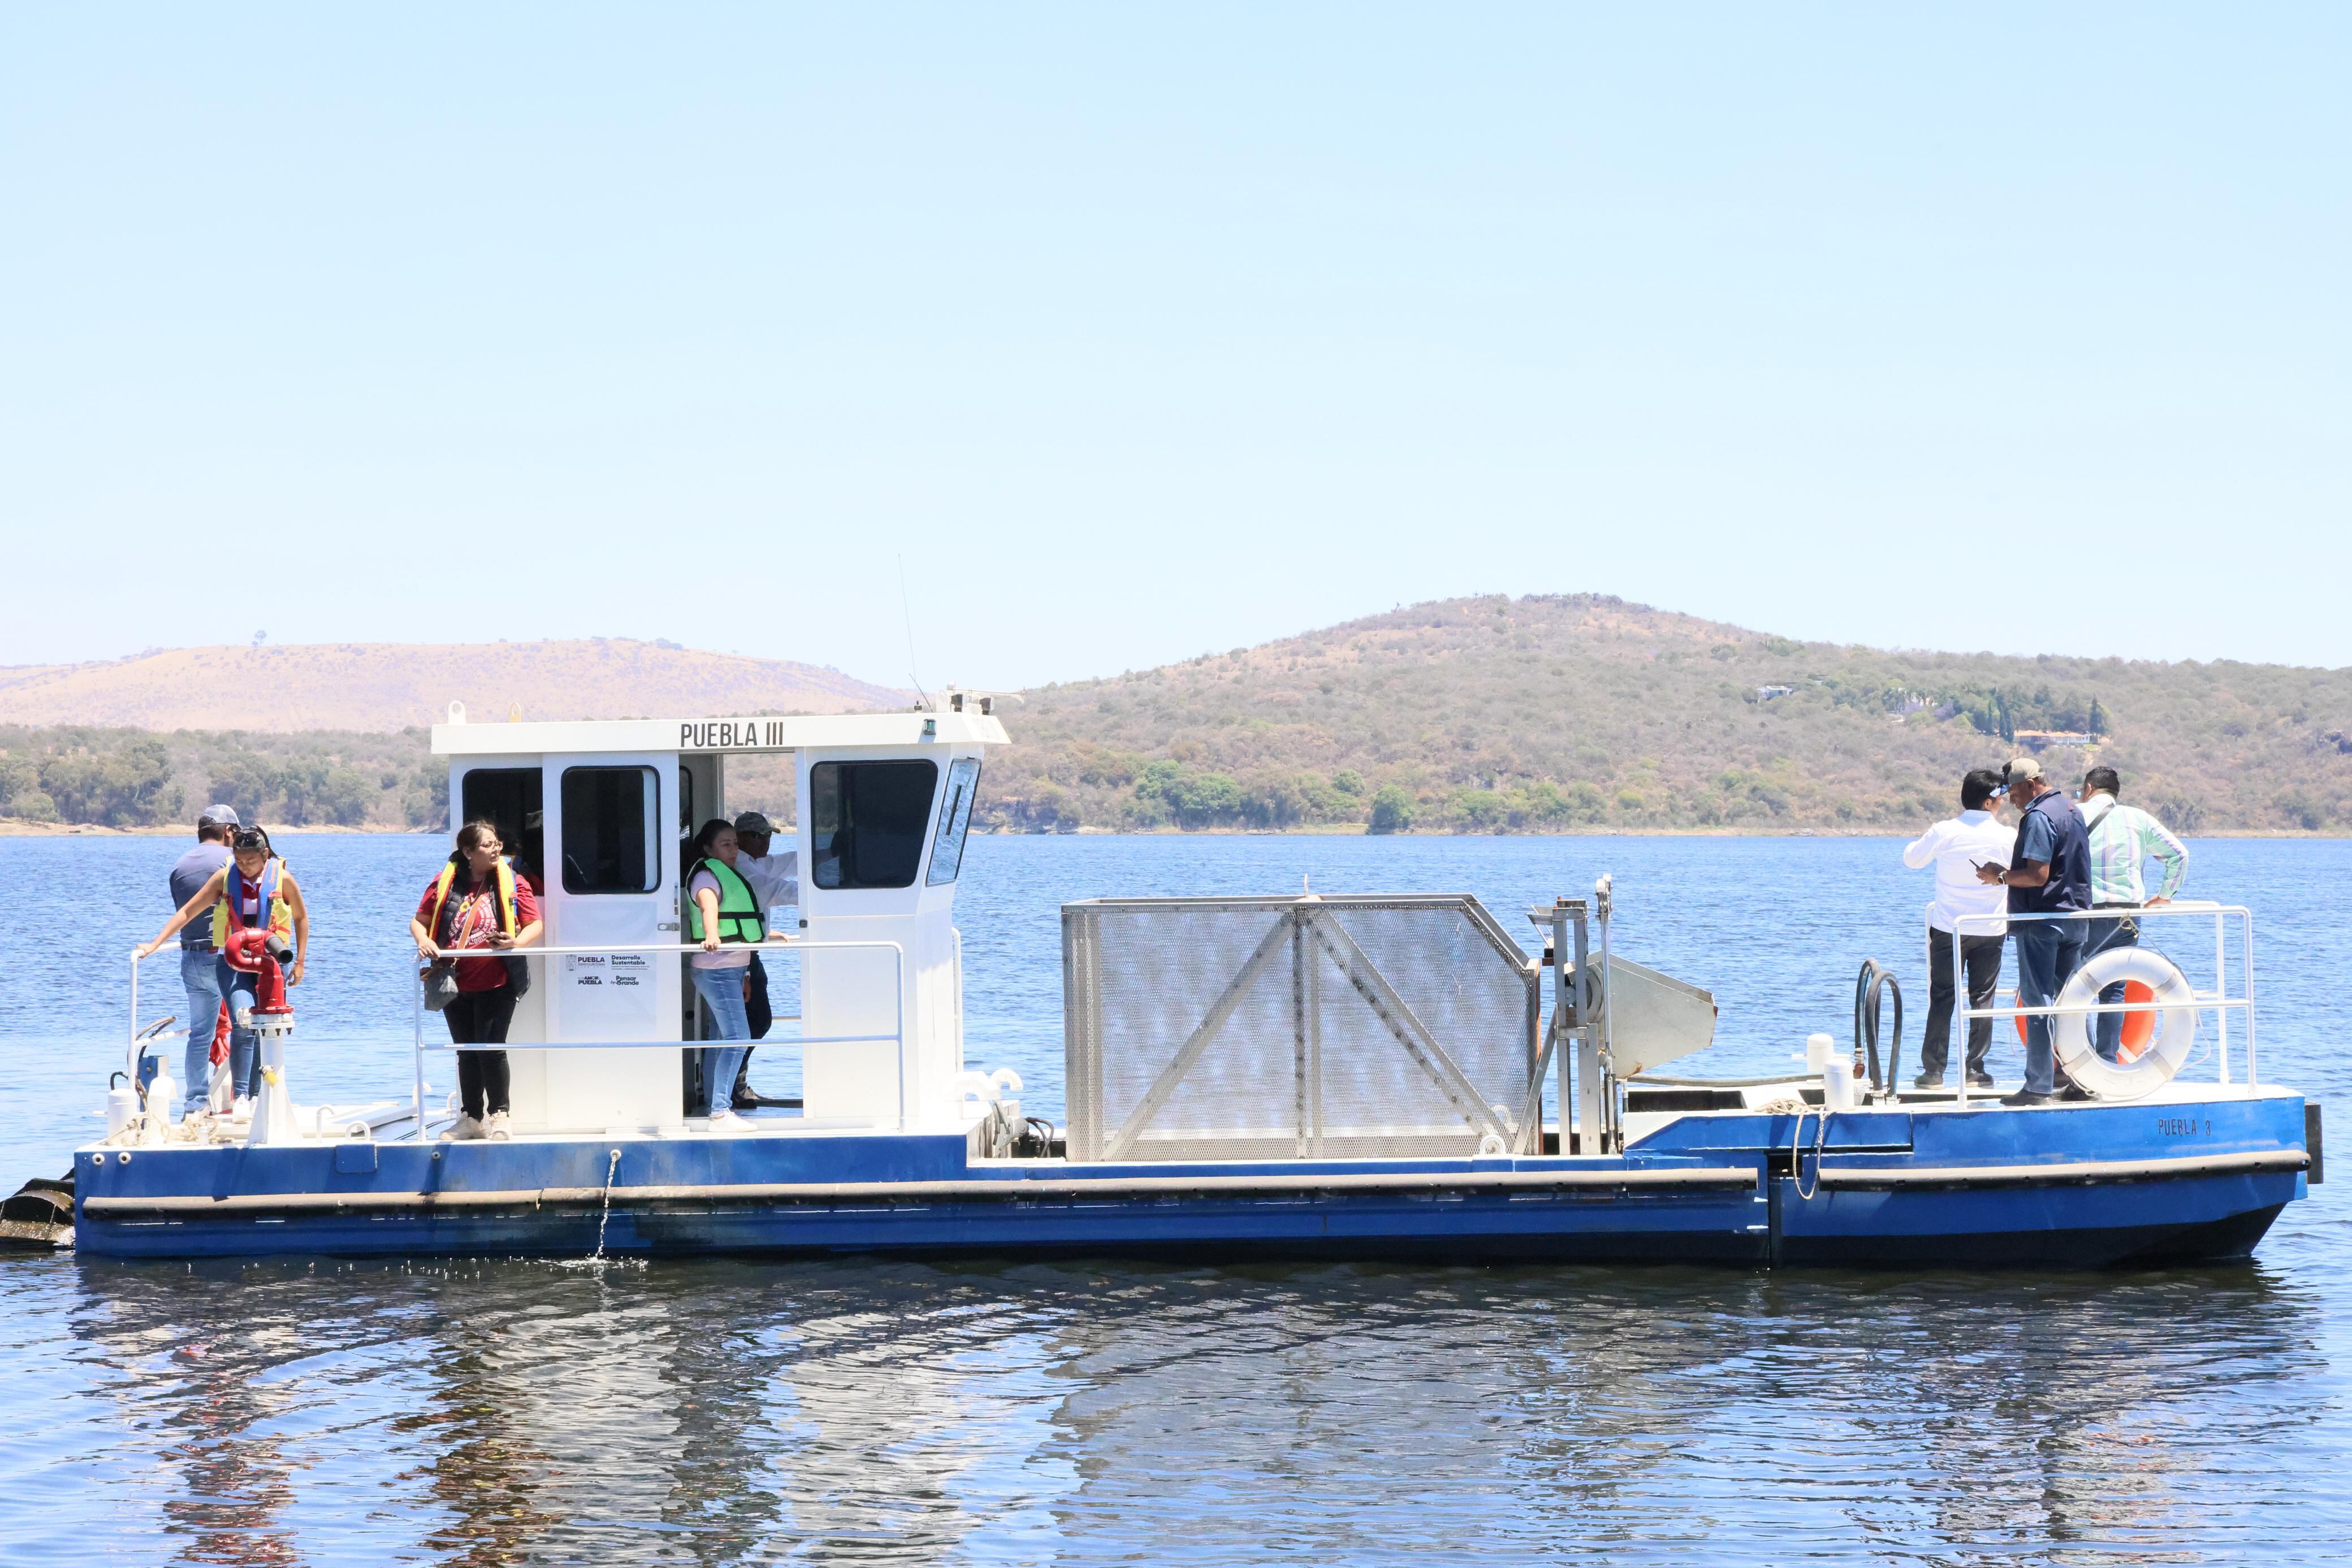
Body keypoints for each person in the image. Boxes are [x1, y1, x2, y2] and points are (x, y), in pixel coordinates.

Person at [136, 826, 311, 1110]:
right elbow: (187, 912)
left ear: (265, 856)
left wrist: (300, 962)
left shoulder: (284, 879)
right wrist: (155, 944)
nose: (245, 867)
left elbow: (302, 919)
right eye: (239, 861)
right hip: (232, 963)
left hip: (270, 965)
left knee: (265, 1028)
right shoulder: (225, 877)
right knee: (243, 1020)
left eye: (251, 862)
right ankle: (241, 1097)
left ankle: (259, 1095)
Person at [410, 820, 543, 1141]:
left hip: (497, 981)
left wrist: (515, 944)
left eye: (497, 843)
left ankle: (500, 1116)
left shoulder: (513, 882)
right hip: (454, 981)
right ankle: (471, 1118)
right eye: (488, 845)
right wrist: (423, 941)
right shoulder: (445, 882)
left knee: (491, 1049)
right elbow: (419, 921)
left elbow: (534, 924)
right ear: (468, 852)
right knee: (466, 1051)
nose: (496, 848)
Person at [1976, 755, 2092, 1104]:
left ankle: (2038, 1086)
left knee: (2037, 1002)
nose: (2010, 798)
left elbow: (2037, 876)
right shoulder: (2072, 810)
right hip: (2076, 920)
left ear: (2030, 784)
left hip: (2042, 923)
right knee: (2073, 1002)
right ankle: (2084, 1081)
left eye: (2012, 790)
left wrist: (1999, 876)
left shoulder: (2039, 817)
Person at [1900, 769, 2013, 1090]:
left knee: (1942, 998)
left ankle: (1934, 1072)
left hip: (1949, 928)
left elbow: (1912, 860)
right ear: (1989, 801)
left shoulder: (1944, 831)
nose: (2003, 802)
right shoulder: (2008, 836)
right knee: (1983, 998)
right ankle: (1975, 1071)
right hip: (1991, 928)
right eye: (2001, 797)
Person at [2077, 766, 2190, 1063]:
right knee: (2113, 988)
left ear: (2089, 788)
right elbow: (2179, 855)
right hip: (2125, 914)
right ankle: (2105, 1060)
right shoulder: (2138, 819)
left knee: (2071, 986)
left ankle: (2077, 1060)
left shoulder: (2073, 814)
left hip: (2081, 912)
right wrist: (2165, 895)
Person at [156, 806, 257, 1116]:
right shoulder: (231, 865)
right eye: (236, 835)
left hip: (191, 958)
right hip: (226, 958)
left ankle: (195, 1104)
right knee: (247, 1027)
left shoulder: (180, 865)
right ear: (229, 832)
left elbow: (185, 911)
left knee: (201, 1034)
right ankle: (246, 1099)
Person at [685, 818, 764, 1129]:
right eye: (726, 845)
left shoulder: (729, 874)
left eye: (735, 843)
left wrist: (746, 975)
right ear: (709, 849)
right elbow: (709, 908)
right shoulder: (706, 877)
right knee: (737, 1038)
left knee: (722, 1038)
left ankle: (712, 1104)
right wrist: (711, 935)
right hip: (717, 969)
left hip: (732, 969)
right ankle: (720, 1111)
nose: (734, 850)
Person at [727, 811, 800, 1108]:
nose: (767, 841)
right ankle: (735, 1088)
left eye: (769, 835)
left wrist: (832, 854)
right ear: (743, 838)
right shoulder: (742, 869)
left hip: (749, 953)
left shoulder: (753, 863)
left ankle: (736, 1086)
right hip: (739, 957)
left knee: (753, 1022)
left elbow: (789, 863)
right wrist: (824, 891)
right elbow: (773, 889)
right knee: (756, 1021)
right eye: (760, 836)